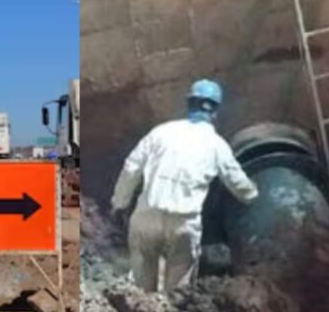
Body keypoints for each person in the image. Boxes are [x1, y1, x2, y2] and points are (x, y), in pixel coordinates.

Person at [110, 79, 258, 292]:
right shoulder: (217, 145)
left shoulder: (160, 132)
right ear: (215, 112)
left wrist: (120, 203)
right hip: (183, 225)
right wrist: (253, 193)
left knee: (141, 291)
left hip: (146, 217)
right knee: (178, 293)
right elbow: (239, 185)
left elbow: (131, 167)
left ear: (189, 104)